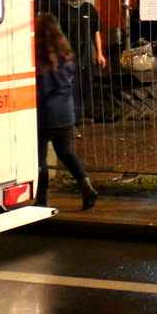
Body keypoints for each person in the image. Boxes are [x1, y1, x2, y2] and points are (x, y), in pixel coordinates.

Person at [34, 13, 98, 210]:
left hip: (44, 114)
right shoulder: (65, 53)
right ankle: (86, 187)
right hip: (65, 112)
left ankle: (42, 200)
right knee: (66, 152)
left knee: (40, 158)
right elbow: (69, 76)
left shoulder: (36, 55)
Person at [53, 0, 107, 122]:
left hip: (86, 57)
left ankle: (80, 117)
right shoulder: (59, 10)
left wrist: (100, 54)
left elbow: (96, 32)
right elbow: (55, 37)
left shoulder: (88, 8)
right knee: (71, 90)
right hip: (68, 59)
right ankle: (72, 121)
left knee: (85, 89)